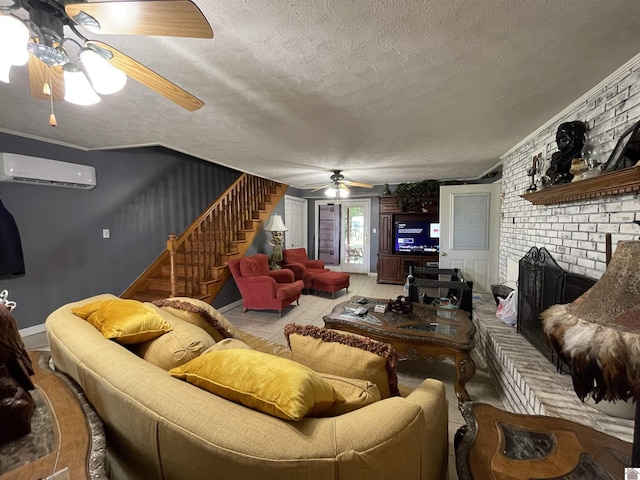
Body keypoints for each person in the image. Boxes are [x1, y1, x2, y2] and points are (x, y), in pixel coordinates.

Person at [542, 121, 587, 186]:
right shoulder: (556, 156)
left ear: (575, 137)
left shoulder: (581, 152)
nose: (558, 141)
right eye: (557, 138)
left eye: (563, 137)